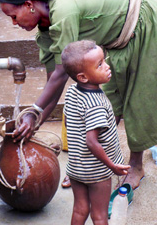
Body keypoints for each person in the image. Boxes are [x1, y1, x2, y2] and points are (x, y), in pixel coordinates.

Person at [0, 0, 157, 191]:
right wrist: (32, 126)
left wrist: (33, 110)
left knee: (139, 97)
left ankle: (136, 167)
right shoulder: (46, 30)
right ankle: (87, 167)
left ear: (29, 5)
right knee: (107, 103)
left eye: (13, 16)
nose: (14, 23)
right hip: (120, 39)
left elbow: (61, 75)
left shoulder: (63, 10)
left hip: (149, 19)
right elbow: (53, 86)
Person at [61, 39, 130, 225]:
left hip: (76, 166)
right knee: (99, 215)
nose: (107, 67)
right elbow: (92, 142)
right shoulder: (96, 105)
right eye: (100, 65)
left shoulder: (72, 92)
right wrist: (112, 166)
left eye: (104, 60)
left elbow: (68, 121)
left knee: (80, 208)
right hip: (97, 170)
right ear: (83, 77)